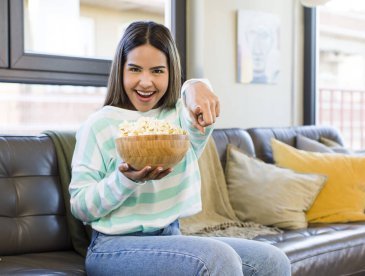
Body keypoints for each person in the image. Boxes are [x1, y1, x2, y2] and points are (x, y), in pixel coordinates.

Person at [69, 21, 291, 275]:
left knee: (274, 260)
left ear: (171, 72)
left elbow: (196, 104)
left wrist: (194, 85)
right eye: (134, 69)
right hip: (113, 247)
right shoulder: (99, 125)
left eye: (157, 71)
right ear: (120, 71)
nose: (145, 82)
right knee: (217, 259)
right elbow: (80, 207)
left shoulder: (177, 118)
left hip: (171, 236)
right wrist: (124, 180)